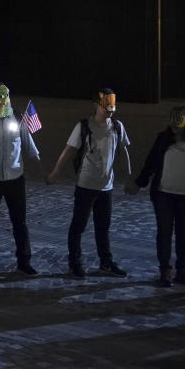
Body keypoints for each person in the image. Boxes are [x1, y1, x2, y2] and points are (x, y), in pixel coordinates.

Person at [126, 106, 185, 287]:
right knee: (164, 233)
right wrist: (138, 183)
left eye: (179, 119)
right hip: (163, 195)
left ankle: (182, 270)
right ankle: (165, 271)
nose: (174, 123)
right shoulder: (163, 139)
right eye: (172, 118)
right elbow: (150, 163)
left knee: (184, 235)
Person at [46, 88, 131, 278]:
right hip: (86, 185)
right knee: (78, 226)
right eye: (106, 105)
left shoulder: (117, 126)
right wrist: (54, 174)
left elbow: (124, 150)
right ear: (96, 105)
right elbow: (68, 151)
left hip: (106, 187)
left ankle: (106, 263)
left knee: (103, 227)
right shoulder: (84, 126)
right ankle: (74, 263)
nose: (110, 110)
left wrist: (129, 176)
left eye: (112, 106)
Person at [0, 83, 42, 275]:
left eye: (6, 95)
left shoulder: (18, 118)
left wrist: (46, 172)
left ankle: (24, 261)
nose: (3, 100)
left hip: (15, 178)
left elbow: (30, 147)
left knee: (19, 222)